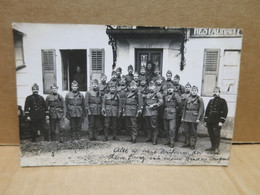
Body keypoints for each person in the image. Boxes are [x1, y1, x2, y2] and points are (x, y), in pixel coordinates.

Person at [204, 87, 228, 154]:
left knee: (216, 134)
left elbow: (225, 111)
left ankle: (217, 148)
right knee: (211, 133)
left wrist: (221, 121)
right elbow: (207, 111)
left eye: (216, 91)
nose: (215, 93)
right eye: (214, 91)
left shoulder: (222, 101)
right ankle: (212, 146)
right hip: (210, 120)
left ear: (219, 93)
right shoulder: (211, 101)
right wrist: (206, 120)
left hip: (217, 121)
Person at [164, 83, 181, 148]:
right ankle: (168, 140)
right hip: (165, 114)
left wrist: (176, 111)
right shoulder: (165, 96)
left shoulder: (176, 96)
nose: (169, 90)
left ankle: (172, 142)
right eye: (168, 89)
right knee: (166, 129)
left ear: (173, 89)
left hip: (172, 114)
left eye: (171, 88)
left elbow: (179, 104)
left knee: (172, 129)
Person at [173, 74, 185, 141]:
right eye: (174, 79)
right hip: (172, 106)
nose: (175, 81)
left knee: (177, 123)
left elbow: (184, 97)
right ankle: (172, 137)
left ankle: (176, 137)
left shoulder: (182, 87)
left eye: (177, 79)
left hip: (179, 107)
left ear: (179, 80)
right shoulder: (170, 87)